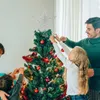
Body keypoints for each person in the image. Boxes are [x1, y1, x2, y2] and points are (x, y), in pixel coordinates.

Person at [59, 17, 100, 100]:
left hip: (97, 87)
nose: (86, 31)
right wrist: (66, 40)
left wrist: (95, 71)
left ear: (98, 30)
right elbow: (75, 46)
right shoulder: (84, 42)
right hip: (84, 87)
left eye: (89, 29)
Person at [50, 35, 89, 100]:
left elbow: (59, 54)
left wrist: (53, 42)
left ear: (75, 57)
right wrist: (59, 42)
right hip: (80, 96)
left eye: (72, 52)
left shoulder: (71, 66)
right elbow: (68, 51)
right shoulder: (77, 65)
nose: (70, 52)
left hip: (76, 97)